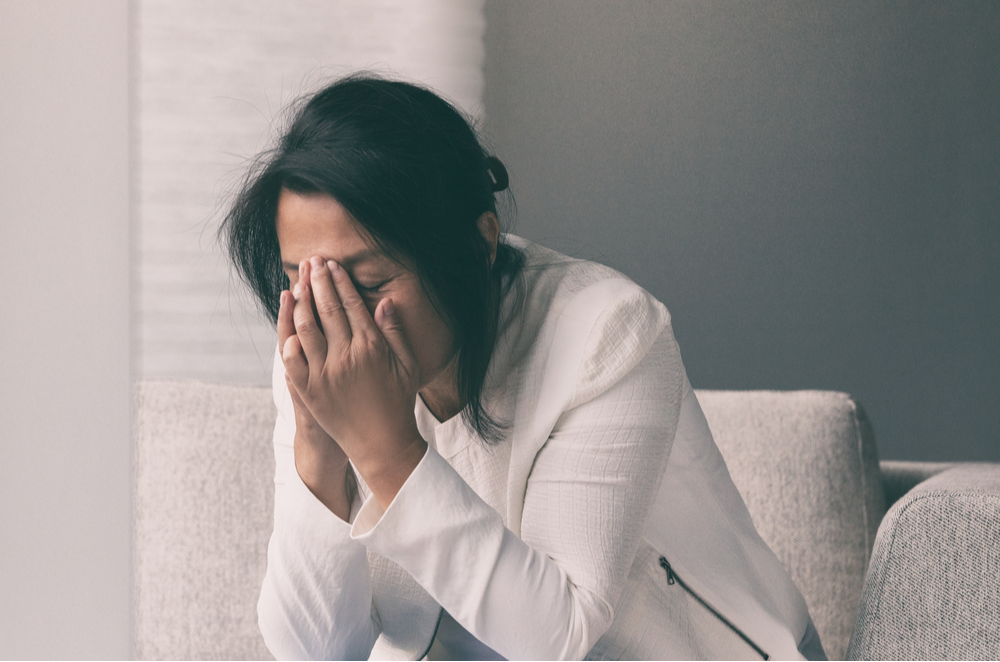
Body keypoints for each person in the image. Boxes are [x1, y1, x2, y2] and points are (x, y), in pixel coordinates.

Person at [220, 73, 826, 661]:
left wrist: (385, 451)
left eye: (370, 282)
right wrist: (318, 454)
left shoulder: (606, 332)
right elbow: (318, 651)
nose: (333, 316)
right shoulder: (315, 345)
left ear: (480, 243)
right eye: (303, 279)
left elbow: (556, 641)